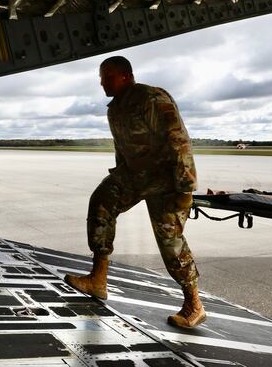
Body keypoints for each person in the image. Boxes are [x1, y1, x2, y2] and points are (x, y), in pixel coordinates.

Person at [64, 56, 205, 328]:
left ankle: (194, 305)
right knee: (101, 202)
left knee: (170, 241)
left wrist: (186, 187)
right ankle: (98, 279)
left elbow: (178, 140)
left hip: (166, 179)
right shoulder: (115, 108)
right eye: (101, 76)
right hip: (134, 176)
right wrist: (119, 176)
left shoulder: (152, 98)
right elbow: (122, 147)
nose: (102, 81)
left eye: (108, 76)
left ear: (126, 76)